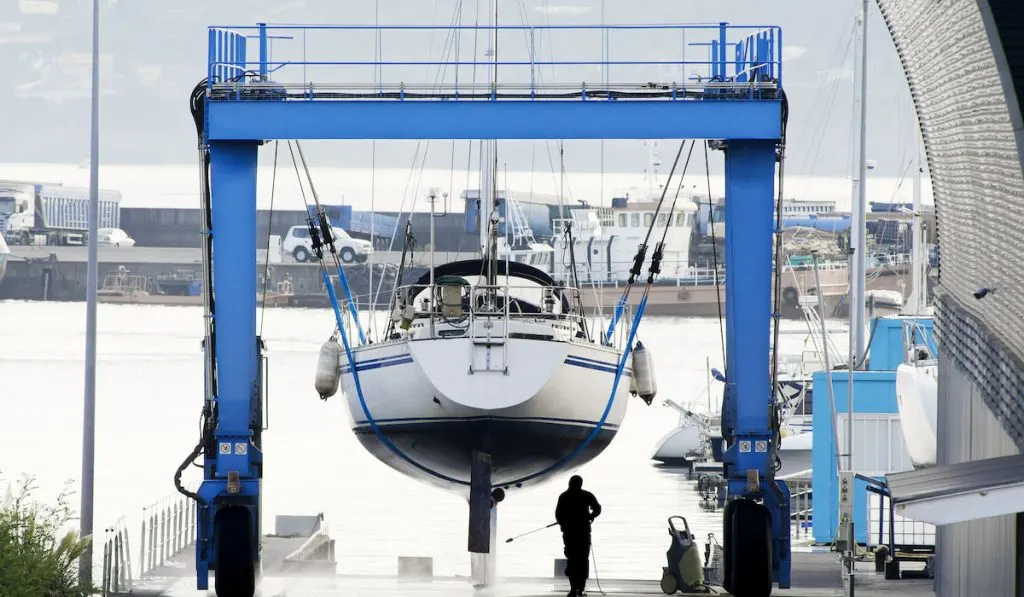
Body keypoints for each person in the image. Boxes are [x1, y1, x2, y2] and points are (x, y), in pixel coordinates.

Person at [555, 474, 601, 597]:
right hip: (583, 533)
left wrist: (564, 523)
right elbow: (597, 509)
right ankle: (580, 588)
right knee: (582, 561)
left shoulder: (564, 496)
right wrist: (590, 516)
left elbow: (558, 515)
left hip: (570, 533)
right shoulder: (586, 495)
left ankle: (573, 589)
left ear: (570, 483)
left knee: (572, 560)